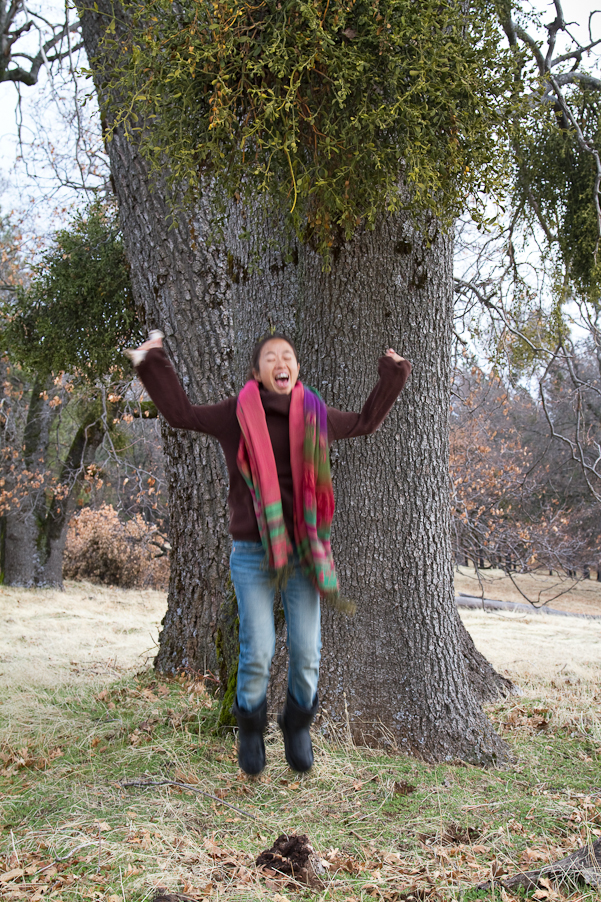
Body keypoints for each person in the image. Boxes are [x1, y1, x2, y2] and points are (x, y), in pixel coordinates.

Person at [127, 330, 411, 775]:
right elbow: (181, 414)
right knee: (256, 649)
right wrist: (152, 359)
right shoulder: (235, 415)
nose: (282, 363)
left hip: (304, 554)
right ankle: (251, 728)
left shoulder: (316, 415)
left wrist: (393, 372)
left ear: (295, 369)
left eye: (289, 357)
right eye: (271, 358)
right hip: (250, 554)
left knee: (307, 652)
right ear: (257, 372)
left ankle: (297, 725)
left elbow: (365, 421)